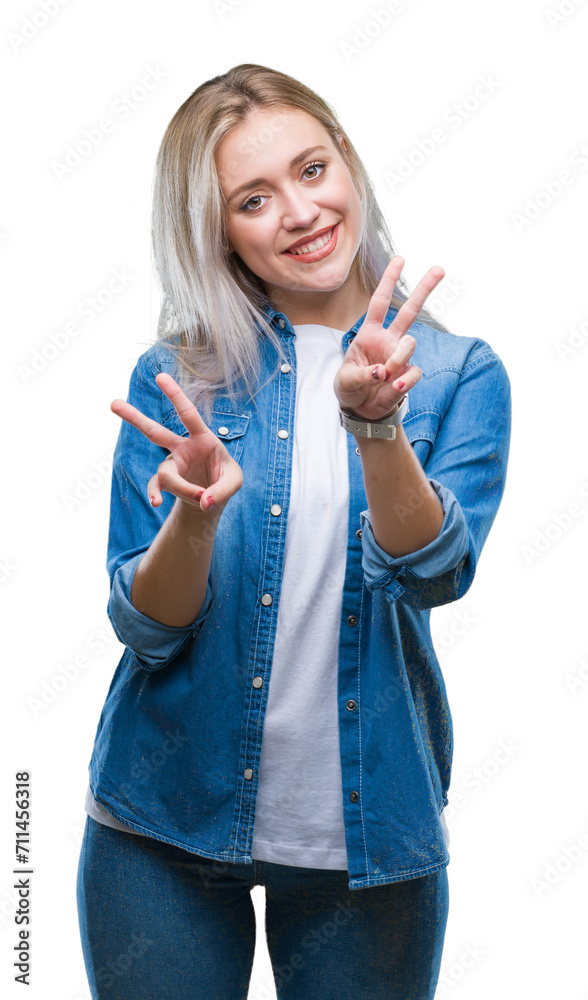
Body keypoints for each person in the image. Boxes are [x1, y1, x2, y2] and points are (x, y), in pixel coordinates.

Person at [76, 63, 512, 1000]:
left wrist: (375, 428)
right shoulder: (179, 379)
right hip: (161, 830)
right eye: (253, 199)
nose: (299, 213)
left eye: (312, 170)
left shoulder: (456, 374)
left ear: (348, 161)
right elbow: (148, 629)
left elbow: (433, 573)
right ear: (219, 231)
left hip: (370, 843)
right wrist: (194, 522)